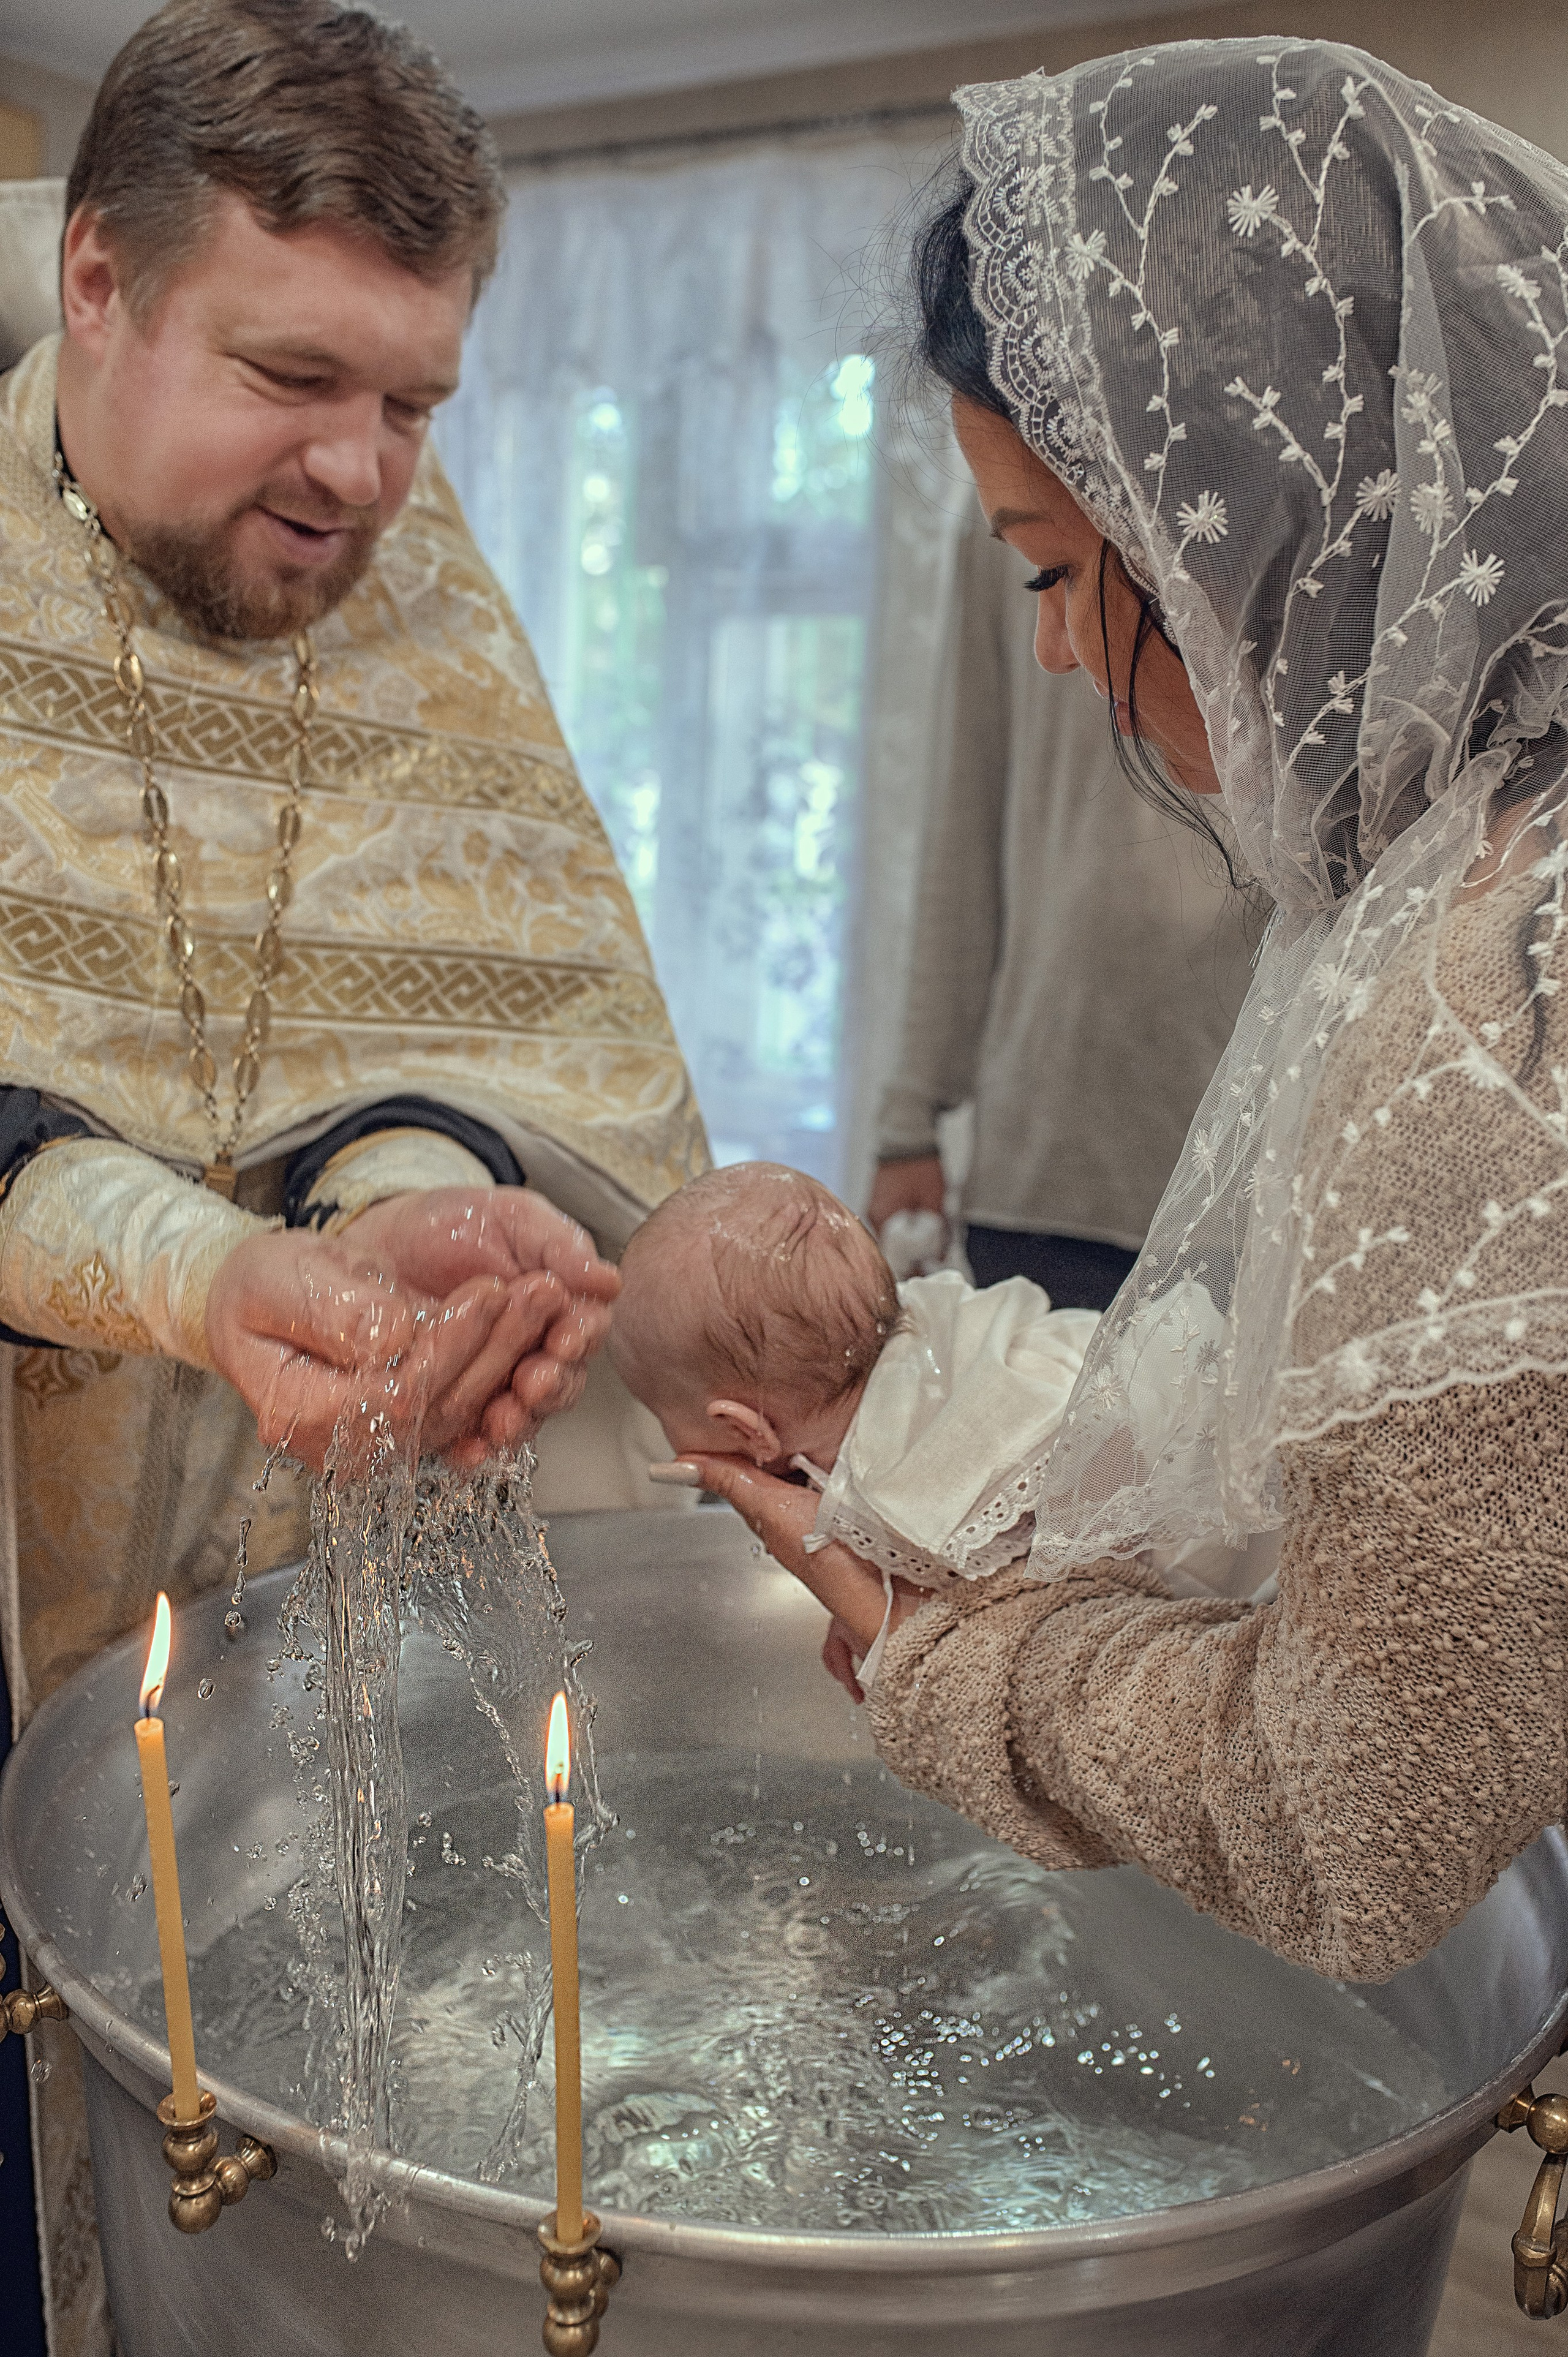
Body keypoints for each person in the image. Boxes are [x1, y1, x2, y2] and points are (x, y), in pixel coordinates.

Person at [677, 39, 1568, 1998]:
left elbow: (1330, 1819)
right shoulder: (1470, 860)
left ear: (1262, 537)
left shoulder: (1478, 1021)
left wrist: (926, 1651)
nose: (1059, 645)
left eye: (1069, 575)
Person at [0, 6, 705, 2349]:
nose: (367, 472)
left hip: (286, 1612)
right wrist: (198, 1269)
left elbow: (440, 1002)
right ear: (99, 278)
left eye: (415, 401)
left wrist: (399, 1195)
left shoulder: (406, 584)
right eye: (296, 373)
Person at [867, 511, 1256, 1309]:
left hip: (1253, 1164)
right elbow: (965, 814)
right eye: (1045, 579)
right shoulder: (1006, 513)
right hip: (1045, 1155)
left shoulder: (1291, 489)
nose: (1062, 650)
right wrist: (910, 1116)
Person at [612, 1162, 1099, 1677]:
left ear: (746, 1429)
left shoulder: (889, 1491)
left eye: (658, 1411)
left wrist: (885, 1612)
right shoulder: (931, 1326)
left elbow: (972, 1617)